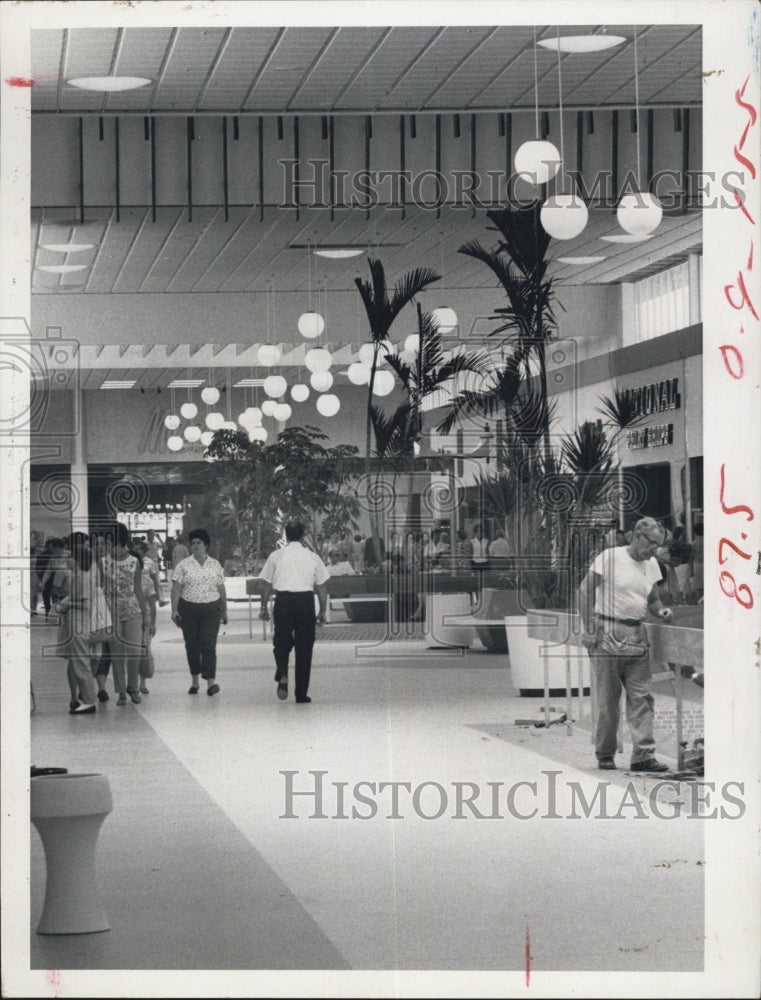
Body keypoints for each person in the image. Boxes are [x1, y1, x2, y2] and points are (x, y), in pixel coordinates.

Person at [577, 516, 675, 773]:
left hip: (636, 634)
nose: (655, 549)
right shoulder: (610, 557)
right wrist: (588, 629)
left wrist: (661, 611)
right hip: (607, 631)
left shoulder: (651, 564)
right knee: (608, 700)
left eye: (658, 545)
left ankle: (643, 755)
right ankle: (605, 753)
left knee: (642, 698)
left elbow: (653, 599)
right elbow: (585, 591)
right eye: (652, 543)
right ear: (636, 536)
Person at [258, 522, 329, 704]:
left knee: (281, 640)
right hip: (305, 602)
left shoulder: (277, 556)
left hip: (283, 601)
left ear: (286, 536)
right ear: (303, 535)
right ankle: (301, 694)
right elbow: (321, 587)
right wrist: (322, 611)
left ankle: (282, 669)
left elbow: (266, 584)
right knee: (305, 647)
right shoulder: (313, 557)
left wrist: (263, 607)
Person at [171, 528, 228, 696]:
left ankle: (211, 682)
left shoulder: (215, 564)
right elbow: (176, 589)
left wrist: (224, 610)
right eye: (193, 543)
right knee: (192, 646)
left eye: (199, 543)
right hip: (189, 608)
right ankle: (195, 681)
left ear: (206, 545)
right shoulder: (183, 565)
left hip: (211, 609)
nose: (195, 546)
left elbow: (221, 587)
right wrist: (174, 610)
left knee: (209, 645)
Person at [102, 522, 150, 706]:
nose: (108, 547)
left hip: (132, 611)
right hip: (111, 611)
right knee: (117, 654)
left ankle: (133, 687)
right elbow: (100, 589)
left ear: (120, 542)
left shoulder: (134, 561)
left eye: (110, 543)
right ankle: (121, 692)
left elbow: (138, 589)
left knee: (135, 651)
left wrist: (145, 616)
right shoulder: (103, 562)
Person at [53, 533, 101, 714]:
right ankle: (87, 699)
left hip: (80, 625)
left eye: (72, 557)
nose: (68, 559)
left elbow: (86, 604)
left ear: (78, 560)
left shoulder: (84, 579)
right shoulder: (78, 578)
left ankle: (89, 701)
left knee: (81, 663)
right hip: (74, 624)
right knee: (77, 662)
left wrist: (67, 604)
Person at [135, 538, 162, 693]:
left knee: (144, 649)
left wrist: (152, 623)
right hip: (131, 616)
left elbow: (152, 602)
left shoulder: (149, 567)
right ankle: (134, 682)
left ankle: (142, 682)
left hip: (145, 617)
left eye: (139, 549)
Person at [689, 523, 704, 602]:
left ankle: (699, 601)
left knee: (698, 586)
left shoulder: (693, 543)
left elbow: (691, 557)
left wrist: (691, 569)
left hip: (697, 564)